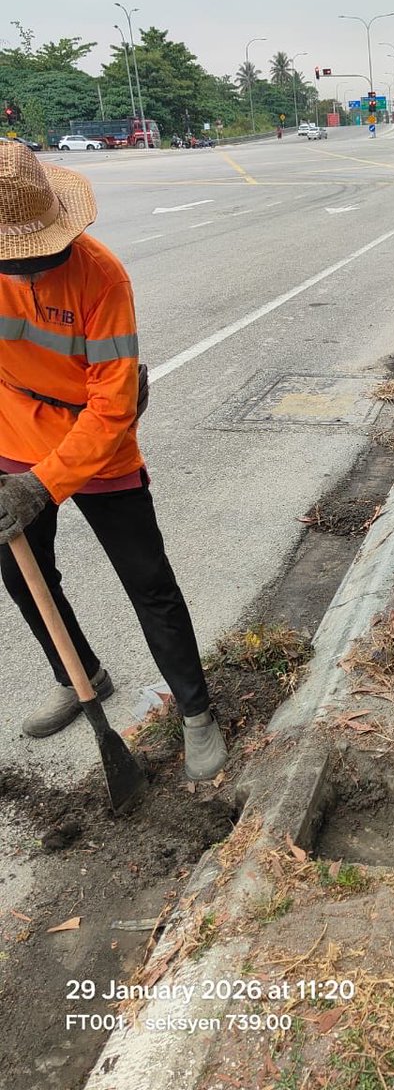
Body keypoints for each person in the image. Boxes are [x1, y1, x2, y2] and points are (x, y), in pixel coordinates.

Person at [0, 142, 226, 782]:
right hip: (13, 429)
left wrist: (41, 485)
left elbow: (109, 406)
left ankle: (196, 712)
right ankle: (79, 677)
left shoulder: (102, 278)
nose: (24, 267)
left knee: (148, 580)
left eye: (34, 255)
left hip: (97, 440)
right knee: (24, 576)